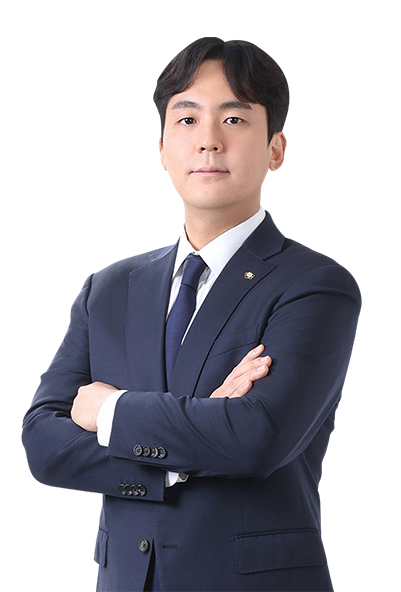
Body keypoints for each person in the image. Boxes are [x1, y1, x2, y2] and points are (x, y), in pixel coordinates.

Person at [22, 38, 361, 592]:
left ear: (276, 150)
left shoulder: (315, 286)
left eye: (234, 118)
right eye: (187, 119)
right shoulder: (109, 289)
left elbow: (257, 437)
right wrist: (191, 443)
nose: (208, 140)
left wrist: (111, 411)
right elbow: (43, 443)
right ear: (160, 150)